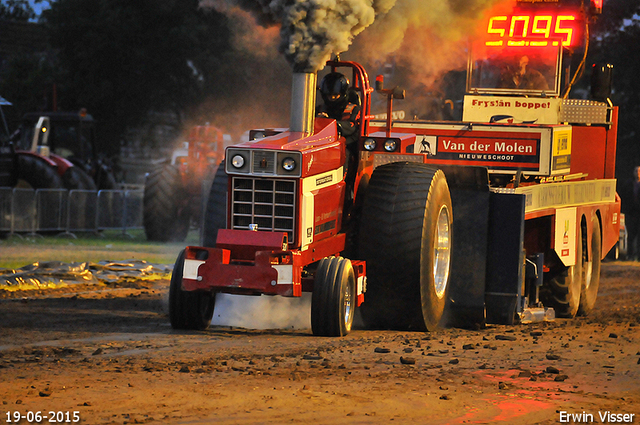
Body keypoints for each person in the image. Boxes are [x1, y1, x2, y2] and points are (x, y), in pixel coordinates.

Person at [317, 72, 361, 214]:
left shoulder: (354, 110)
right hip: (322, 147)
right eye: (329, 96)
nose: (332, 99)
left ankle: (344, 203)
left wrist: (332, 124)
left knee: (344, 157)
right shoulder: (319, 109)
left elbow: (351, 127)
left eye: (335, 96)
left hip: (347, 147)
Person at [625, 166, 640, 260]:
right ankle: (630, 255)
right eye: (636, 171)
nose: (638, 173)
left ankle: (638, 256)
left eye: (639, 171)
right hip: (631, 213)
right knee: (630, 235)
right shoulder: (629, 184)